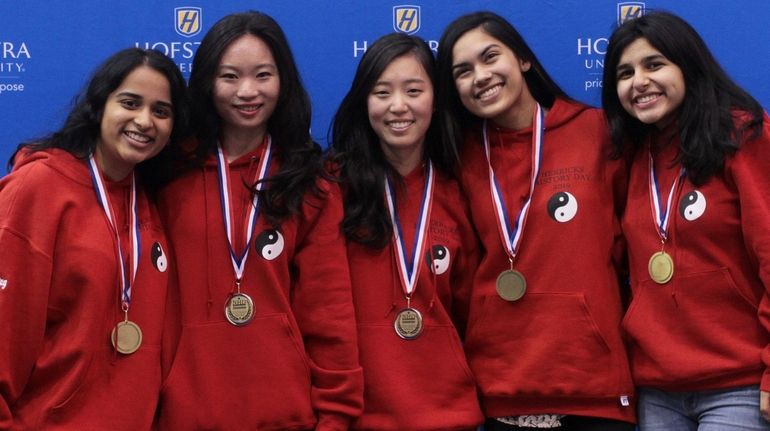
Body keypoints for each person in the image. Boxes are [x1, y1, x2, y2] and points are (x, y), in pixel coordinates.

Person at [156, 11, 363, 430]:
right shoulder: (165, 170)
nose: (247, 92)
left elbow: (329, 308)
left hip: (283, 414)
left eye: (263, 75)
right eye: (230, 76)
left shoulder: (310, 182)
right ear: (207, 83)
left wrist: (336, 415)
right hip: (181, 412)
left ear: (283, 80)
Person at [435, 11, 636, 430]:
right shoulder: (461, 159)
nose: (481, 76)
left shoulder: (596, 132)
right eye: (463, 71)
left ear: (523, 59)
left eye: (491, 57)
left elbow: (634, 244)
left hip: (593, 387)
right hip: (501, 387)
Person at [0, 47, 188, 429]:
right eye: (130, 103)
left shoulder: (149, 205)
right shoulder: (38, 188)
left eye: (161, 111)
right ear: (99, 106)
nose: (145, 121)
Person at [602, 11, 770, 430]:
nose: (638, 81)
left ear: (688, 65)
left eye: (654, 64)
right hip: (658, 390)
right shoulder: (632, 156)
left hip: (740, 384)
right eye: (624, 73)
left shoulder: (743, 136)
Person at [328, 33, 484, 430]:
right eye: (382, 92)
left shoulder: (461, 190)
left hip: (449, 415)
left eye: (414, 90)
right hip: (357, 416)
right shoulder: (331, 188)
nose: (399, 106)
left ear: (435, 99)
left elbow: (476, 316)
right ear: (364, 103)